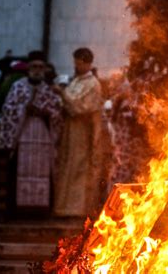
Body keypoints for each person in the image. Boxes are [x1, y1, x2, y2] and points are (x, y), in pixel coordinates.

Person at [0, 51, 62, 211]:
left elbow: (57, 114)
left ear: (45, 69)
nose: (37, 69)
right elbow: (8, 110)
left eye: (40, 66)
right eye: (34, 66)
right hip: (22, 135)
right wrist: (24, 109)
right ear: (28, 68)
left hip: (43, 136)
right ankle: (19, 208)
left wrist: (45, 113)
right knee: (20, 171)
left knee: (43, 171)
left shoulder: (48, 90)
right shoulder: (18, 87)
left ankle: (40, 210)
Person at [53, 47, 103, 217]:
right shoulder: (77, 80)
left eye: (79, 63)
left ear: (87, 63)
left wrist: (62, 94)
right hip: (70, 127)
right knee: (67, 164)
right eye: (75, 63)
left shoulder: (92, 83)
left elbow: (81, 107)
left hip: (82, 128)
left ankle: (76, 208)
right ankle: (63, 206)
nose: (76, 66)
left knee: (78, 166)